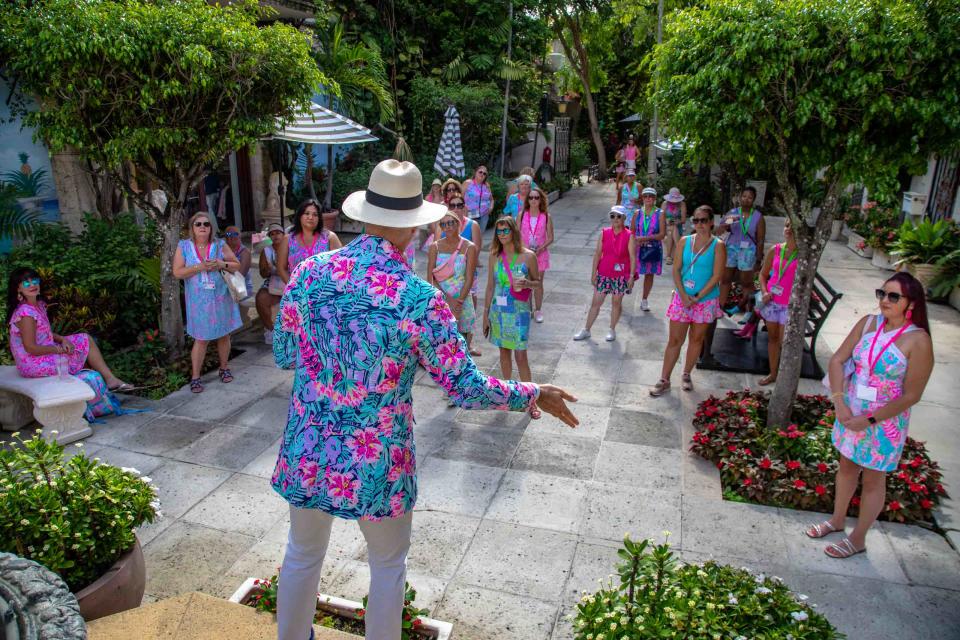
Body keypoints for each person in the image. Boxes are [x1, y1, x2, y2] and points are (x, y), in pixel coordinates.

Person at [272, 159, 578, 640]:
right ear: (414, 229)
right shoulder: (418, 300)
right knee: (388, 565)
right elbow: (466, 388)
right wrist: (532, 391)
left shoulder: (309, 274)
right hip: (380, 460)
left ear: (365, 215)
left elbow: (285, 354)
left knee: (302, 552)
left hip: (310, 448)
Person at [807, 272, 933, 559]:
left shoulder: (918, 340)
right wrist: (839, 402)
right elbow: (838, 360)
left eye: (893, 296)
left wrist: (872, 419)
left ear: (910, 303)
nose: (884, 301)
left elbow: (912, 395)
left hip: (884, 422)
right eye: (882, 293)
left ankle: (859, 538)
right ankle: (837, 520)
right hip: (850, 412)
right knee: (847, 467)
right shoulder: (868, 323)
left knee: (874, 479)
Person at [6, 267, 134, 390]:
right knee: (76, 354)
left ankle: (110, 380)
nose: (32, 285)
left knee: (85, 339)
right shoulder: (26, 313)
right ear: (18, 288)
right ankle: (93, 398)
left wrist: (62, 339)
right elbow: (31, 348)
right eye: (26, 283)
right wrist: (59, 349)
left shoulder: (39, 305)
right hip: (32, 363)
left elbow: (43, 332)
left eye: (34, 281)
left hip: (44, 351)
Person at [650, 205, 726, 396]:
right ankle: (664, 379)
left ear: (711, 223)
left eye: (703, 220)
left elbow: (717, 275)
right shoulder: (684, 241)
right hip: (682, 298)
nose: (699, 224)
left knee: (696, 339)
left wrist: (698, 297)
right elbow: (676, 269)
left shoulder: (718, 245)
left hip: (705, 300)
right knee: (674, 339)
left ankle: (686, 374)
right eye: (696, 220)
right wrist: (683, 295)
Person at [172, 211, 243, 393]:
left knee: (223, 334)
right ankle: (195, 377)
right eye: (198, 224)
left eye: (206, 224)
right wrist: (200, 267)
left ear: (211, 228)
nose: (203, 227)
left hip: (221, 296)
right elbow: (178, 272)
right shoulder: (184, 246)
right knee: (201, 338)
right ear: (192, 228)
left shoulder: (219, 245)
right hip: (198, 301)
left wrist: (220, 263)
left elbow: (236, 265)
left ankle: (224, 368)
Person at [483, 216, 541, 409]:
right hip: (499, 311)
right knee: (504, 351)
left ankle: (530, 398)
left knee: (521, 355)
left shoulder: (528, 256)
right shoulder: (494, 255)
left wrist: (527, 283)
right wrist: (485, 315)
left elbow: (538, 283)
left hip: (519, 311)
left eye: (505, 230)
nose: (501, 234)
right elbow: (490, 287)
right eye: (499, 231)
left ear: (514, 231)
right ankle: (508, 394)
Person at [573, 205, 637, 342]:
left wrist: (631, 276)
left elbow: (632, 257)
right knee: (596, 302)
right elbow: (597, 254)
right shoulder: (604, 233)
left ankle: (612, 329)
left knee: (616, 302)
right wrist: (593, 273)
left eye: (619, 216)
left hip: (620, 275)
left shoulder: (629, 235)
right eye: (612, 216)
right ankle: (586, 329)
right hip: (604, 273)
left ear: (624, 218)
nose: (615, 219)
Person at [427, 210, 479, 356]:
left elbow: (469, 278)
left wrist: (459, 302)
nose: (447, 227)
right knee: (442, 344)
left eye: (450, 223)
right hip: (441, 299)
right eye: (443, 224)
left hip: (462, 299)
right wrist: (445, 299)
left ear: (458, 224)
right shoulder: (434, 247)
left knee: (463, 345)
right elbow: (430, 278)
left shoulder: (469, 247)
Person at [753, 218, 798, 384]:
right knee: (772, 339)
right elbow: (763, 275)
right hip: (772, 303)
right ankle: (773, 374)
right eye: (787, 226)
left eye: (792, 227)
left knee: (782, 341)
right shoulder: (776, 250)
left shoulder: (802, 254)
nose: (788, 229)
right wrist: (764, 291)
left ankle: (784, 376)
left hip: (788, 306)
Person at [719, 186, 765, 316]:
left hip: (748, 252)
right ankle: (720, 308)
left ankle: (748, 313)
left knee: (746, 282)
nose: (746, 199)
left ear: (753, 200)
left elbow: (760, 239)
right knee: (725, 279)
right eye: (744, 196)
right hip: (731, 249)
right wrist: (729, 221)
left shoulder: (758, 217)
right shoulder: (733, 212)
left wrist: (758, 259)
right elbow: (720, 230)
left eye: (750, 197)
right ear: (740, 197)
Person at [276, 199, 343, 284]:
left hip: (323, 292)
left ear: (319, 218)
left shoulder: (329, 238)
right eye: (307, 213)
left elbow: (341, 265)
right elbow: (281, 268)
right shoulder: (288, 239)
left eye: (315, 215)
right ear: (300, 216)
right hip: (296, 291)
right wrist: (293, 288)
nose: (310, 217)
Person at [519, 187, 553, 323]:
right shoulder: (522, 214)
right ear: (527, 200)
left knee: (538, 283)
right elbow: (516, 234)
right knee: (525, 283)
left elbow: (550, 237)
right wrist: (524, 248)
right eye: (531, 197)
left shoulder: (546, 217)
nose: (533, 200)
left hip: (541, 254)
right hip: (525, 254)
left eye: (536, 198)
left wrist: (541, 248)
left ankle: (538, 310)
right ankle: (527, 309)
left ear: (541, 200)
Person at [633, 187, 666, 312]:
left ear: (655, 199)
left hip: (653, 248)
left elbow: (662, 234)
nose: (648, 198)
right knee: (631, 271)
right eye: (645, 196)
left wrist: (645, 238)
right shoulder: (637, 213)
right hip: (638, 247)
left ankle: (644, 299)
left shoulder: (660, 214)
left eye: (651, 196)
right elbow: (632, 232)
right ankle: (623, 290)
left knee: (649, 274)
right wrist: (637, 240)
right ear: (642, 198)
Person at [255, 223, 287, 345]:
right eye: (272, 234)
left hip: (289, 283)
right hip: (273, 284)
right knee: (261, 299)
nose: (275, 236)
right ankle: (271, 330)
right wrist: (267, 270)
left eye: (278, 232)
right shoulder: (266, 251)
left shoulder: (291, 247)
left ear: (284, 235)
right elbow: (262, 273)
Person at [223, 225, 253, 299]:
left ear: (240, 236)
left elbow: (240, 275)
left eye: (235, 234)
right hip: (226, 285)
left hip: (241, 287)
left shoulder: (245, 252)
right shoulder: (222, 250)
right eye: (229, 234)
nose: (232, 236)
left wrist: (224, 266)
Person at [463, 165, 494, 233]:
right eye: (480, 172)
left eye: (484, 173)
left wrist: (491, 207)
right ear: (475, 173)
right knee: (469, 236)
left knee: (479, 236)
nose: (482, 174)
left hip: (484, 215)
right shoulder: (467, 183)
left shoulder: (486, 185)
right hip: (469, 214)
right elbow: (460, 198)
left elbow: (491, 199)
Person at [661, 187, 687, 266]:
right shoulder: (665, 204)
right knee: (670, 229)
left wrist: (676, 222)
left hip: (677, 227)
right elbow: (661, 217)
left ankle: (668, 256)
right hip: (665, 227)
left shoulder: (682, 204)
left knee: (672, 229)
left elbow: (683, 220)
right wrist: (666, 220)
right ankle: (679, 250)